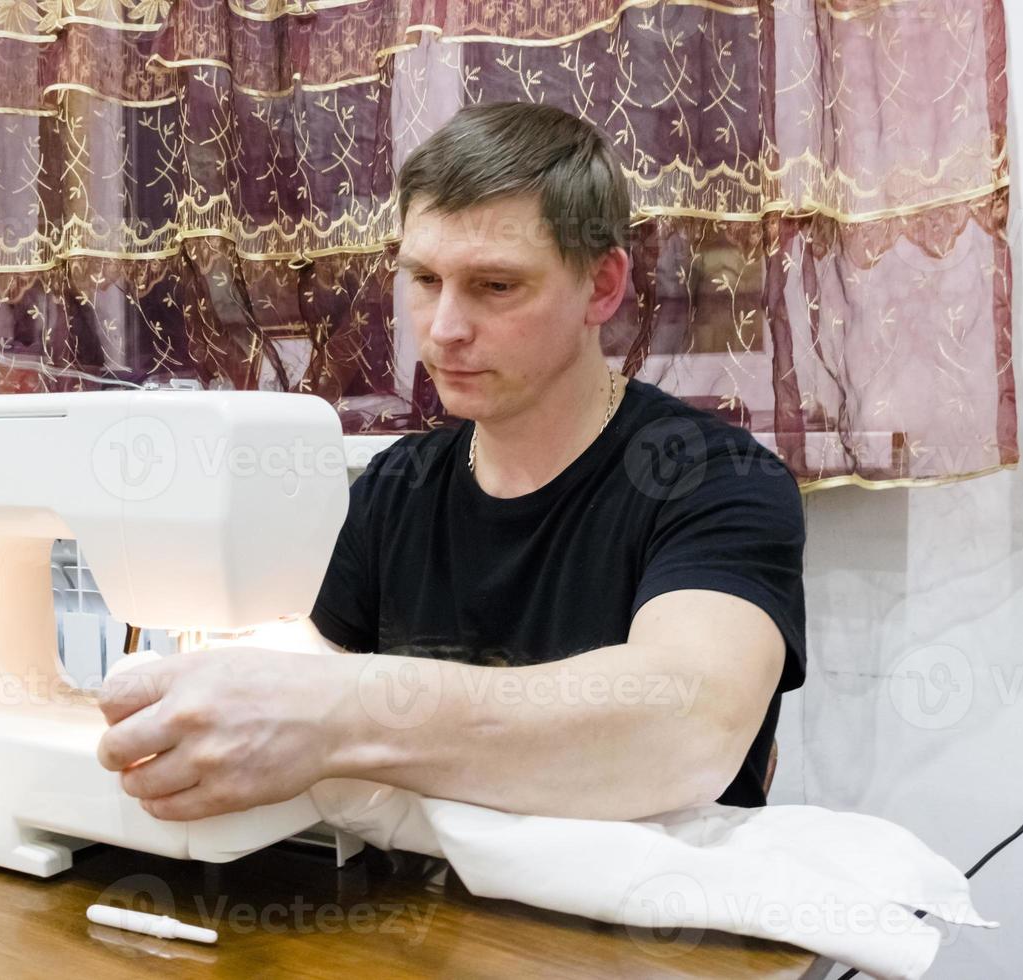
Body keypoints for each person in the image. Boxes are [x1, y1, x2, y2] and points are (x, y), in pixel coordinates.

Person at [97, 102, 806, 822]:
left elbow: (684, 728)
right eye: (425, 279)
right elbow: (308, 663)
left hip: (641, 927)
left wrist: (339, 712)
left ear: (601, 286)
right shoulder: (398, 486)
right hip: (425, 917)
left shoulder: (717, 481)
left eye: (496, 286)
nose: (444, 330)